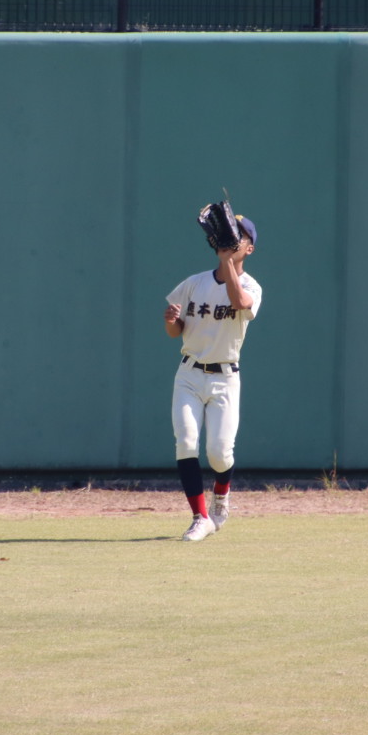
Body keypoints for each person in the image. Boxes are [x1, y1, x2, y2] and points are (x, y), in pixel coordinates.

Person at [162, 215, 261, 542]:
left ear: (249, 248)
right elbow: (175, 332)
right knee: (186, 442)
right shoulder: (194, 282)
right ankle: (200, 517)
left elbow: (239, 303)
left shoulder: (251, 286)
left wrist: (226, 263)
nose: (234, 239)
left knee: (220, 453)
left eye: (241, 236)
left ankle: (221, 495)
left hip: (225, 378)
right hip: (189, 374)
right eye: (231, 233)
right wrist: (171, 321)